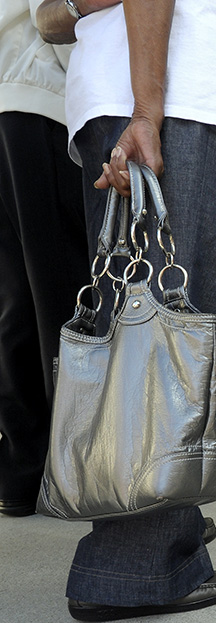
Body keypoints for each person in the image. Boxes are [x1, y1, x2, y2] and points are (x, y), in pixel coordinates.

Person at [36, 0, 216, 618]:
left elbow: (50, 18)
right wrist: (148, 111)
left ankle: (160, 515)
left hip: (118, 94)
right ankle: (136, 563)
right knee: (171, 334)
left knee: (141, 325)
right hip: (173, 100)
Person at [0, 0, 89, 518]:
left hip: (6, 101)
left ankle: (19, 470)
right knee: (63, 296)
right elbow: (54, 19)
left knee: (15, 300)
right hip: (43, 101)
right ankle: (76, 471)